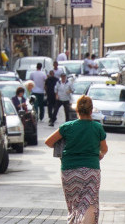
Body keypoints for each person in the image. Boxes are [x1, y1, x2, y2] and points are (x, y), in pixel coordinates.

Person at [45, 95, 107, 224]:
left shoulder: (67, 126)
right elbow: (104, 148)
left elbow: (49, 142)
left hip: (69, 171)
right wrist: (100, 154)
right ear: (91, 110)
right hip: (91, 170)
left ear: (77, 110)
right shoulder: (97, 127)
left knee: (74, 205)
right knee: (90, 203)